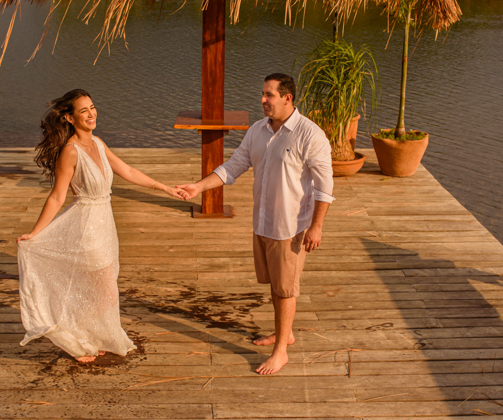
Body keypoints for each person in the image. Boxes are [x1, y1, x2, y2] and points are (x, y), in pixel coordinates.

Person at [178, 73, 333, 375]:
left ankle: (281, 352)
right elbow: (234, 166)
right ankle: (285, 333)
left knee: (286, 289)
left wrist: (316, 227)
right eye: (263, 94)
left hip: (290, 228)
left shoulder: (309, 134)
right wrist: (198, 187)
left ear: (287, 98)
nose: (262, 100)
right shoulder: (257, 131)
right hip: (263, 224)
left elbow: (324, 187)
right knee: (276, 284)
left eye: (269, 95)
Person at [17, 89, 184, 363]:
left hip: (106, 224)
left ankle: (91, 336)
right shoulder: (70, 152)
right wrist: (35, 233)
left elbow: (127, 171)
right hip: (86, 227)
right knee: (105, 289)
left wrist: (165, 188)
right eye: (83, 111)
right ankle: (77, 339)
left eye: (92, 107)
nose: (91, 114)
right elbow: (57, 196)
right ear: (69, 118)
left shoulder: (98, 143)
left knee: (101, 288)